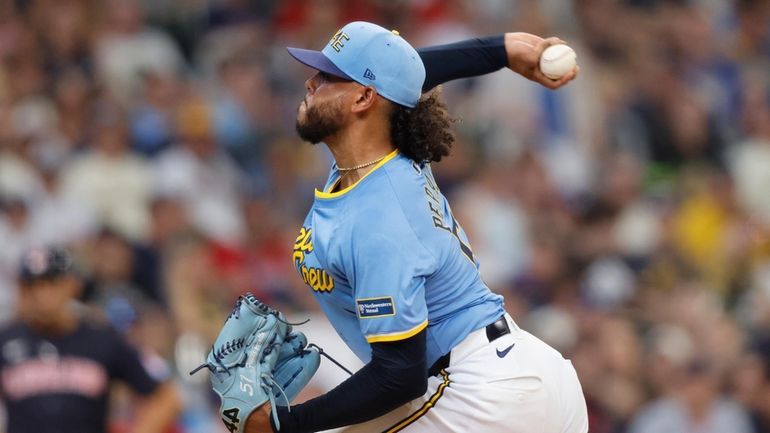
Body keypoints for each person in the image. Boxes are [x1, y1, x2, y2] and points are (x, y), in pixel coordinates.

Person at [246, 22, 586, 433]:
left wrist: (284, 424)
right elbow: (404, 74)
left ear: (363, 98)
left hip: (483, 394)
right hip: (514, 373)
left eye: (327, 76)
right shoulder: (385, 149)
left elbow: (398, 376)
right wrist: (502, 50)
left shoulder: (379, 218)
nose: (310, 82)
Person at [0, 246, 181, 433]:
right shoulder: (5, 341)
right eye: (33, 286)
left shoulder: (102, 340)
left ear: (72, 284)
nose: (42, 295)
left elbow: (167, 398)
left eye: (51, 282)